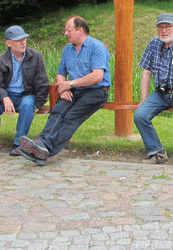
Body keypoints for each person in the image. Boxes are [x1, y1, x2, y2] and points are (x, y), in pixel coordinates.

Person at [17, 16, 111, 165]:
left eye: (68, 30)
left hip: (96, 92)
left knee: (70, 117)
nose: (65, 33)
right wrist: (62, 87)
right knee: (57, 111)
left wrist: (70, 84)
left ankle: (45, 149)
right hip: (73, 90)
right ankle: (40, 144)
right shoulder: (68, 49)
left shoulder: (96, 47)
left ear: (79, 30)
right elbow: (61, 73)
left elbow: (97, 76)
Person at [134, 13, 173, 169]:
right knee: (140, 115)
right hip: (161, 92)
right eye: (160, 27)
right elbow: (146, 73)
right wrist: (143, 98)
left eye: (167, 26)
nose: (164, 30)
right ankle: (157, 152)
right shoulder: (153, 44)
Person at [0, 25, 49, 159]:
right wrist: (4, 97)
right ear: (9, 43)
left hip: (26, 95)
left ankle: (18, 144)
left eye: (24, 39)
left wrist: (38, 104)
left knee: (28, 104)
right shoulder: (1, 60)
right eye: (19, 40)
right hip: (6, 95)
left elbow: (42, 83)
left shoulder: (36, 56)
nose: (23, 42)